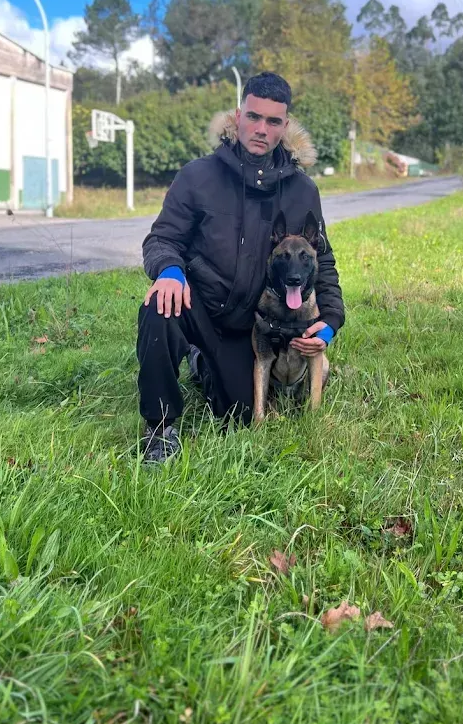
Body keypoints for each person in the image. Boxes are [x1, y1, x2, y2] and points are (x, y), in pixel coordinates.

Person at [137, 71, 345, 462]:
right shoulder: (197, 176)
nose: (261, 129)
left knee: (240, 415)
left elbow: (323, 261)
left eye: (273, 121)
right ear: (238, 115)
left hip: (248, 328)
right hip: (197, 305)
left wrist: (330, 320)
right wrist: (168, 270)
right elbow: (162, 239)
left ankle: (203, 363)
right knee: (157, 306)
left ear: (285, 126)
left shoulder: (303, 190)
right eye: (254, 116)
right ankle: (160, 427)